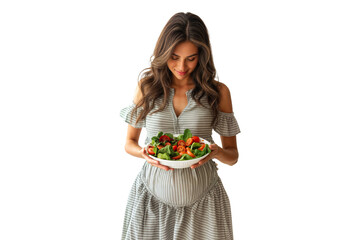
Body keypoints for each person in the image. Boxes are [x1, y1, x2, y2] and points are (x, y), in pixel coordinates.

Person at [120, 12, 240, 240]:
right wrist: (143, 153)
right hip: (150, 203)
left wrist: (216, 152)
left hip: (204, 206)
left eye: (191, 58)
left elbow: (233, 156)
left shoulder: (217, 93)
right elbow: (129, 143)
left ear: (202, 56)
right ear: (164, 53)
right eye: (174, 57)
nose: (182, 66)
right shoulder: (146, 88)